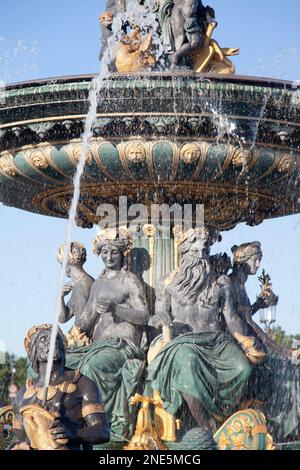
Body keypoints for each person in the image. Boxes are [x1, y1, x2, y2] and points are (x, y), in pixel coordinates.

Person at [146, 227, 252, 447]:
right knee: (187, 364)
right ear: (184, 250)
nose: (201, 248)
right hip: (184, 341)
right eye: (195, 244)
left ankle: (222, 416)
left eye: (205, 245)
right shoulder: (168, 283)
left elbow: (231, 317)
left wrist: (243, 340)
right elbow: (157, 314)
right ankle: (206, 429)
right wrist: (161, 317)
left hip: (217, 342)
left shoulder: (221, 282)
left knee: (243, 369)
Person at [66, 228, 149, 440]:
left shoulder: (129, 280)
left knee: (90, 368)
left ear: (122, 253)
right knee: (63, 366)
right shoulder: (99, 284)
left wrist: (116, 309)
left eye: (113, 252)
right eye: (104, 252)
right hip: (98, 346)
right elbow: (86, 319)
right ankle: (69, 422)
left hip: (123, 344)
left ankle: (102, 428)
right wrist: (65, 339)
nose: (109, 257)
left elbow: (144, 316)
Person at [229, 242, 300, 442]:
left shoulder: (238, 283)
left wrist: (259, 303)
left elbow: (244, 317)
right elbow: (249, 325)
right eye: (255, 259)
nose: (258, 264)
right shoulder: (233, 283)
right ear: (243, 260)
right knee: (284, 369)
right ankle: (280, 425)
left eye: (260, 259)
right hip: (239, 344)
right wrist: (285, 351)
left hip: (243, 343)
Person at [9, 324, 109, 450]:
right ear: (34, 350)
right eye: (43, 339)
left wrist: (71, 433)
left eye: (54, 339)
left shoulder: (82, 384)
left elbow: (102, 431)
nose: (50, 342)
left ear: (62, 346)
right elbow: (16, 439)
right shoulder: (22, 394)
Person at [57, 242, 94, 347]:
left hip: (86, 343)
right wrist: (60, 297)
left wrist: (65, 340)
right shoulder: (80, 283)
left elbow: (80, 327)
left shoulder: (82, 286)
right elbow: (62, 318)